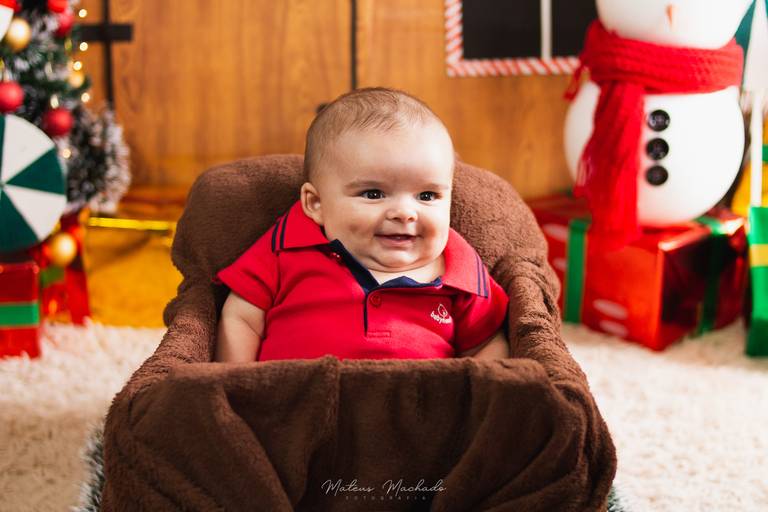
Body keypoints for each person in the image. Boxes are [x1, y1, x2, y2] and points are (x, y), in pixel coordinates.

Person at [215, 87, 509, 362]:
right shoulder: (286, 248)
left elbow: (487, 343)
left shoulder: (462, 274)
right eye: (374, 194)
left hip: (419, 400)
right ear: (316, 204)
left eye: (427, 195)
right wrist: (238, 383)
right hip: (297, 395)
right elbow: (241, 317)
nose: (405, 213)